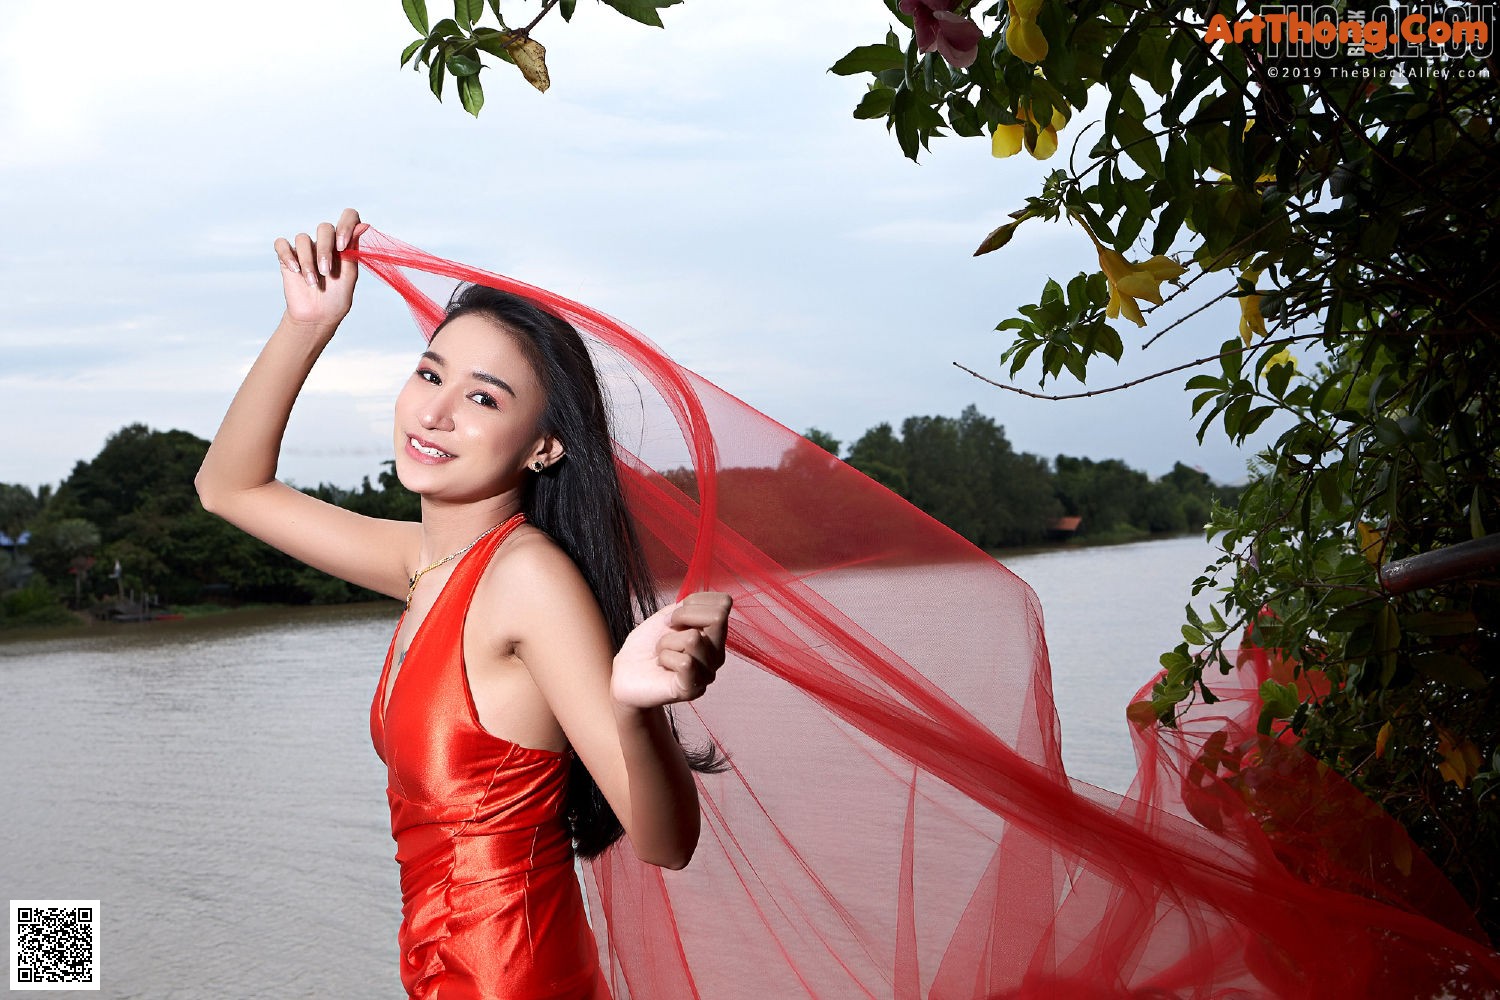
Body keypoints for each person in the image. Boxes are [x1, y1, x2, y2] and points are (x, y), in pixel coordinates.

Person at [195, 208, 732, 1000]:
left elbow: (666, 843)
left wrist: (633, 709)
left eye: (483, 399)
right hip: (441, 975)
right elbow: (227, 488)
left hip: (510, 981)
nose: (435, 413)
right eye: (429, 374)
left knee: (52, 954)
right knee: (47, 952)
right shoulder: (426, 565)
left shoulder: (527, 581)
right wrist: (307, 327)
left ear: (544, 446)